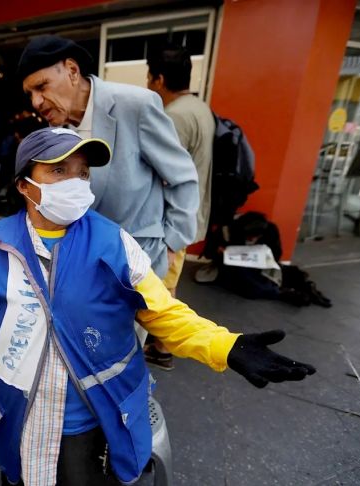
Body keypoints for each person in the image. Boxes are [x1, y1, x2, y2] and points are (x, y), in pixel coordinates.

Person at [0, 127, 316, 486]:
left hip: (90, 422)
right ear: (25, 185)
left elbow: (164, 313)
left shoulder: (114, 243)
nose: (76, 181)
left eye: (82, 172)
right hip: (19, 418)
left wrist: (227, 347)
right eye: (60, 169)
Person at [17, 35, 199, 282]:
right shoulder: (59, 131)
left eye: (42, 86)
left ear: (72, 70)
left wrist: (172, 245)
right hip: (90, 264)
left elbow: (183, 177)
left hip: (143, 259)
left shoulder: (135, 105)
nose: (35, 101)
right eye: (30, 94)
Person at [144, 44, 217, 369]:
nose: (147, 83)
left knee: (161, 286)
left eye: (149, 76)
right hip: (188, 217)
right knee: (166, 284)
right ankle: (160, 346)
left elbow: (166, 177)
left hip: (171, 223)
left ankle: (161, 348)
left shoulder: (174, 117)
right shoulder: (199, 107)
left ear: (158, 78)